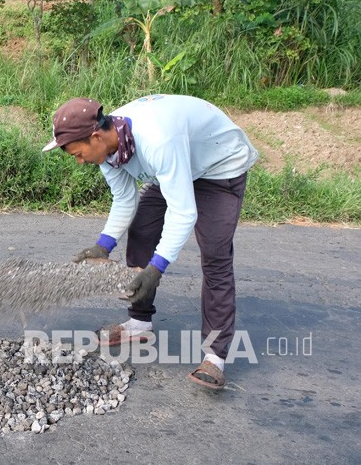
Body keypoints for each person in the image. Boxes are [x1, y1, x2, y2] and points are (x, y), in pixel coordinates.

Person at [43, 94, 259, 389]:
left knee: (215, 254)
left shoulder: (157, 139)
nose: (79, 161)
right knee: (143, 230)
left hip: (219, 166)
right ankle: (139, 323)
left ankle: (215, 356)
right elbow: (124, 199)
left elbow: (183, 212)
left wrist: (156, 268)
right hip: (173, 168)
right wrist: (103, 245)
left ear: (95, 136)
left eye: (77, 154)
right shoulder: (107, 149)